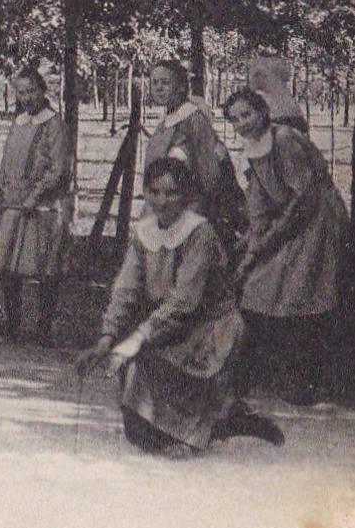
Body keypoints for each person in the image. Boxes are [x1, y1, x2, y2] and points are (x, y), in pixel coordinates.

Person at [76, 158, 282, 454]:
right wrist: (106, 339)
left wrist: (138, 337)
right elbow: (126, 289)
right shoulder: (144, 233)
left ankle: (212, 423)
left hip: (211, 327)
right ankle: (210, 423)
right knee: (133, 377)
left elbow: (185, 300)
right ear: (145, 192)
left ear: (186, 196)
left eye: (171, 193)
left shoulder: (200, 233)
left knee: (155, 366)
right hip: (172, 325)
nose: (162, 201)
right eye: (155, 192)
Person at [223, 88, 352, 406]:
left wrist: (268, 240)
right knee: (257, 285)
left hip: (317, 220)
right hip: (292, 219)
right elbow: (258, 202)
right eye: (235, 119)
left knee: (297, 289)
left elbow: (303, 198)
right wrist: (252, 242)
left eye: (247, 114)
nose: (242, 123)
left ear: (262, 112)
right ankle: (269, 373)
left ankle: (309, 381)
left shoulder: (285, 140)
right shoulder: (253, 149)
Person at [0, 66, 71, 346]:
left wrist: (34, 197)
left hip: (41, 208)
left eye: (31, 91)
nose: (27, 98)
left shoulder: (54, 123)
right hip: (13, 203)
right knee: (8, 267)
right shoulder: (18, 122)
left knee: (45, 269)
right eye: (21, 92)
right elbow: (7, 162)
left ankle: (43, 328)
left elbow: (57, 169)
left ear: (43, 90)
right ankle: (13, 324)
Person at [146, 60, 243, 246]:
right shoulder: (165, 123)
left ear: (181, 87)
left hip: (191, 209)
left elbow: (209, 171)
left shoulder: (193, 119)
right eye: (154, 83)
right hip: (163, 206)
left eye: (165, 83)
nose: (158, 88)